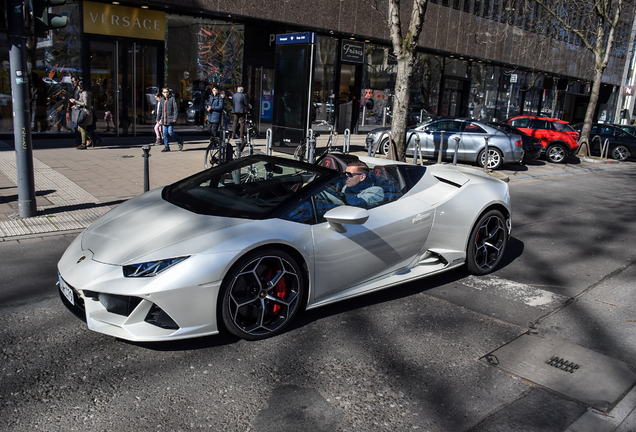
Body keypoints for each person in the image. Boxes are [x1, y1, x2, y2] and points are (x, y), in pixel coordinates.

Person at [156, 87, 184, 152]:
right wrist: (158, 118)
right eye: (164, 92)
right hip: (164, 120)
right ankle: (166, 146)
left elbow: (175, 109)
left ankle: (179, 141)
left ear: (169, 93)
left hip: (170, 119)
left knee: (170, 132)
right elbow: (160, 110)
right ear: (162, 93)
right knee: (164, 133)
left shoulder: (172, 99)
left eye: (167, 92)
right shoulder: (162, 100)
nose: (166, 93)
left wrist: (175, 118)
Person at [69, 81, 92, 150]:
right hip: (82, 111)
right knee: (80, 128)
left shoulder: (85, 93)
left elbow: (86, 103)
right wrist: (75, 106)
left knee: (82, 128)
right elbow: (81, 103)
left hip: (85, 113)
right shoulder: (82, 93)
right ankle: (93, 138)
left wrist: (75, 102)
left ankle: (83, 144)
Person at [69, 74, 82, 146]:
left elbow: (81, 100)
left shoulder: (79, 89)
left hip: (78, 109)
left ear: (77, 81)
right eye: (71, 81)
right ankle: (78, 140)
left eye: (73, 81)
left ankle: (79, 141)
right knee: (76, 126)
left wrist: (75, 102)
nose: (72, 83)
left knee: (77, 126)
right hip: (75, 109)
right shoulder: (74, 89)